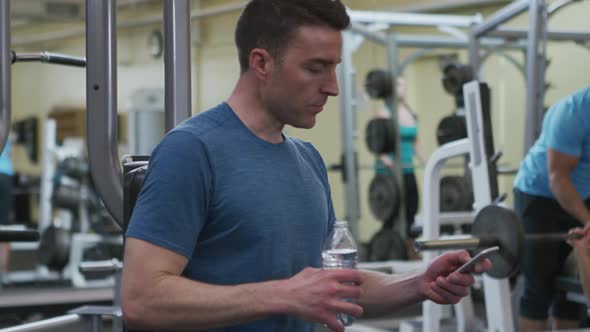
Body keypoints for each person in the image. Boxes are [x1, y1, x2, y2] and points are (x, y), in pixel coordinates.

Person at [121, 1, 491, 331]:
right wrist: (283, 295)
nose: (332, 87)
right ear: (261, 62)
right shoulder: (191, 150)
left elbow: (331, 286)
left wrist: (418, 282)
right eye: (316, 68)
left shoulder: (307, 159)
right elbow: (141, 300)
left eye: (334, 68)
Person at [513, 86, 590, 332]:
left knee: (571, 292)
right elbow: (558, 178)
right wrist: (588, 219)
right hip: (540, 196)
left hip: (585, 192)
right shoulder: (573, 113)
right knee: (539, 287)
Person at [365, 70, 424, 260]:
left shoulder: (410, 112)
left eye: (404, 85)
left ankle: (407, 248)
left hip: (407, 168)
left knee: (411, 208)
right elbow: (375, 142)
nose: (402, 89)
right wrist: (387, 161)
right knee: (392, 214)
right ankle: (386, 251)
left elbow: (415, 143)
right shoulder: (384, 112)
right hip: (388, 172)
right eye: (398, 85)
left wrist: (429, 163)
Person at [0, 138, 14, 277]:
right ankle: (3, 271)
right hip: (5, 175)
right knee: (3, 225)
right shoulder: (5, 130)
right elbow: (9, 153)